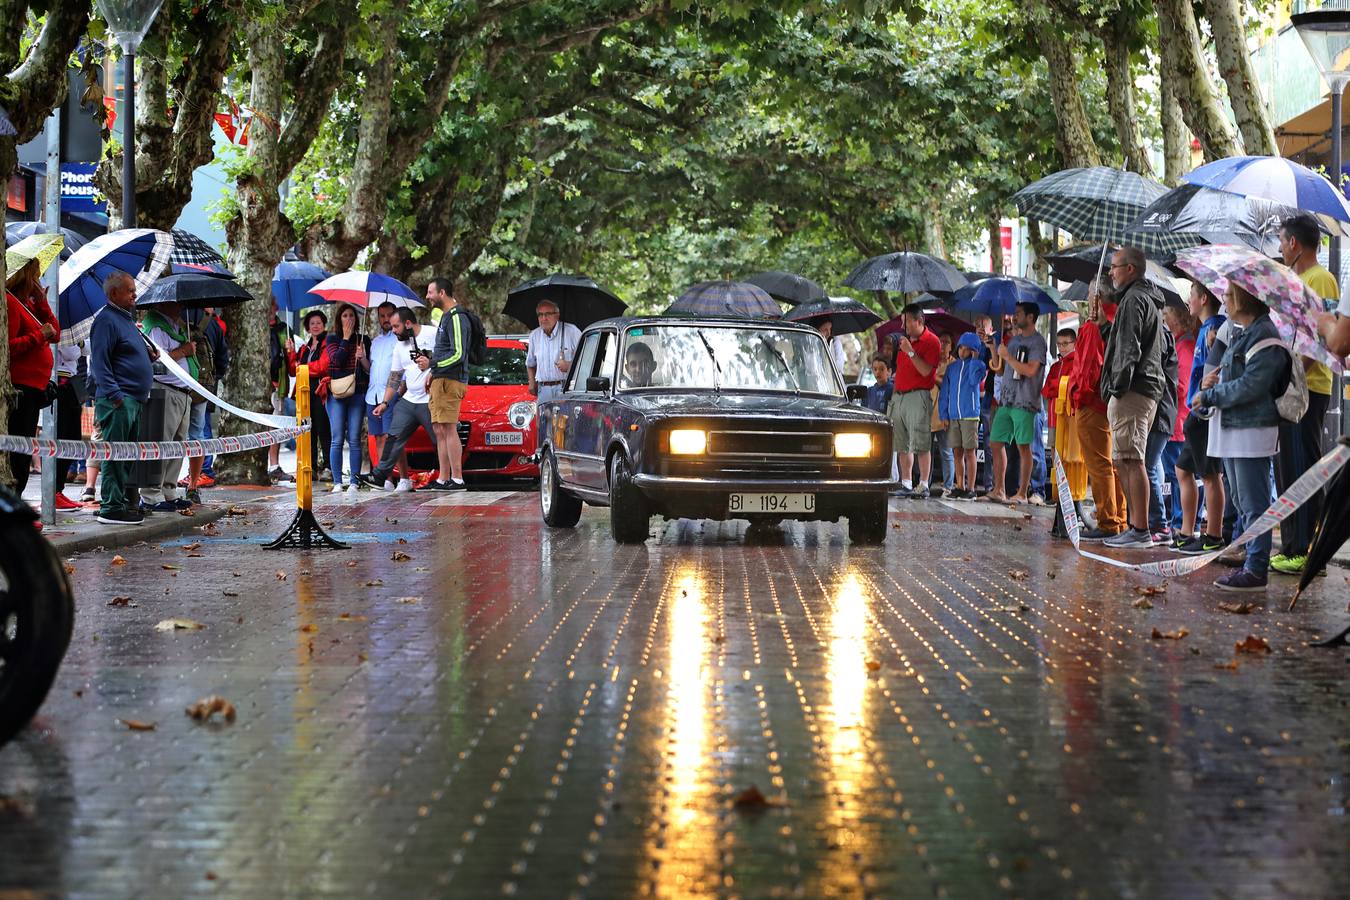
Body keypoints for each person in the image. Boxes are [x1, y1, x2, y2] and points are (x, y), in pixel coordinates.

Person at [1192, 283, 1292, 592]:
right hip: (1235, 428)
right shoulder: (1242, 332)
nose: (1224, 299)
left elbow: (1252, 386)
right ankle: (1251, 561)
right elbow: (1235, 377)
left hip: (1251, 429)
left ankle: (1256, 567)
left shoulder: (1264, 335)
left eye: (1229, 294)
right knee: (1241, 499)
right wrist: (1211, 383)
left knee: (1253, 503)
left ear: (1244, 298)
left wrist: (1211, 395)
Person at [1272, 214, 1338, 575]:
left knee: (1303, 470)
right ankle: (1294, 545)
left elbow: (1320, 338)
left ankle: (1308, 549)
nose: (1280, 248)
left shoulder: (1321, 279)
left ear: (1295, 243)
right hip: (1291, 387)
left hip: (1308, 388)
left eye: (1282, 241)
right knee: (1288, 472)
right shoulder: (1295, 280)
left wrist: (1297, 379)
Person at [1099, 247, 1166, 549]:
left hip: (1133, 390)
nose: (1110, 272)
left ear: (1131, 269)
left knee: (1131, 458)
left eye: (1114, 267)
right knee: (1124, 458)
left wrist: (1116, 385)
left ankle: (1140, 529)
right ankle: (1135, 527)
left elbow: (1129, 349)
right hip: (1140, 388)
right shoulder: (1142, 299)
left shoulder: (1134, 300)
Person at [88, 272, 154, 525]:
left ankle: (123, 502)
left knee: (126, 455)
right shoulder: (106, 320)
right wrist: (116, 396)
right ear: (114, 294)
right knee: (115, 456)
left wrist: (148, 356)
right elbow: (100, 363)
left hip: (132, 399)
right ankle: (111, 507)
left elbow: (125, 354)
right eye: (129, 290)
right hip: (119, 399)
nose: (134, 295)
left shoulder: (124, 319)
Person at [1069, 281, 1127, 540]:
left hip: (1093, 402)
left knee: (1100, 464)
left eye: (1091, 293)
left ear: (1097, 298)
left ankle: (1108, 521)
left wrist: (1077, 395)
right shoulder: (1117, 323)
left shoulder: (1097, 328)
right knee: (1111, 465)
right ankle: (1119, 518)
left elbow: (1087, 371)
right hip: (1109, 402)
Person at [1174, 282, 1227, 555]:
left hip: (1204, 411)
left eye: (1191, 296)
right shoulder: (1206, 329)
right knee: (1183, 470)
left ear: (1203, 298)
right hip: (1195, 409)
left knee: (1210, 474)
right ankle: (1186, 531)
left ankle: (1214, 534)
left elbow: (1215, 370)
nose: (1188, 301)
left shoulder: (1216, 328)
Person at [361, 308, 433, 491]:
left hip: (430, 400)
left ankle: (449, 477)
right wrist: (385, 403)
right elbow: (394, 377)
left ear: (408, 323)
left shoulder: (432, 333)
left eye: (396, 326)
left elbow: (450, 356)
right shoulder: (399, 346)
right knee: (393, 435)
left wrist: (432, 365)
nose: (393, 330)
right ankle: (379, 475)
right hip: (409, 401)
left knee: (439, 439)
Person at [5, 259, 59, 498]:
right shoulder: (10, 303)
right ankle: (14, 500)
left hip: (34, 389)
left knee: (25, 449)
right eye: (37, 275)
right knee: (19, 453)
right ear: (27, 276)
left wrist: (43, 303)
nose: (40, 281)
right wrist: (39, 336)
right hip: (21, 388)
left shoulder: (27, 304)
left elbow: (55, 333)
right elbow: (9, 347)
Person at [985, 301, 1047, 505]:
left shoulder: (1038, 342)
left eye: (1018, 313)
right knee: (995, 442)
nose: (1014, 317)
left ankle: (1022, 492)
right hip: (1007, 400)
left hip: (1025, 402)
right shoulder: (1012, 341)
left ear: (1030, 317)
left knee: (1023, 447)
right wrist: (995, 350)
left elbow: (1030, 370)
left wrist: (1007, 356)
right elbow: (1002, 371)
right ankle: (999, 489)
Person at [141, 300, 198, 511]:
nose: (181, 306)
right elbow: (158, 360)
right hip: (165, 391)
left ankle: (169, 490)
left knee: (177, 445)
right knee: (160, 443)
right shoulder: (155, 326)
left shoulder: (176, 326)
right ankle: (151, 495)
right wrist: (184, 351)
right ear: (164, 303)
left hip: (183, 393)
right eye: (177, 303)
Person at [886, 306, 941, 498]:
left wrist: (910, 352)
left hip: (918, 395)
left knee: (921, 441)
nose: (903, 325)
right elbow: (900, 371)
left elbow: (927, 371)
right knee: (902, 443)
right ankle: (906, 482)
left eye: (907, 321)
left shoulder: (932, 341)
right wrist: (894, 397)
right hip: (899, 395)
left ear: (919, 321)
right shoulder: (904, 342)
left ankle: (924, 484)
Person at [320, 302, 372, 493]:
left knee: (355, 438)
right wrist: (346, 338)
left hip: (357, 393)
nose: (348, 319)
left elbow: (369, 370)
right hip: (337, 393)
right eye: (345, 316)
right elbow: (336, 361)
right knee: (337, 438)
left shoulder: (364, 339)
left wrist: (363, 358)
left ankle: (354, 481)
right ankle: (337, 481)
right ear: (339, 319)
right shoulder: (332, 338)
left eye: (351, 316)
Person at [426, 276, 469, 490]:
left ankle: (458, 479)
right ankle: (444, 478)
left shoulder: (456, 317)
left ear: (442, 293)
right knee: (439, 429)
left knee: (449, 428)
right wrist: (432, 371)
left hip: (451, 381)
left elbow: (459, 354)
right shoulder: (444, 316)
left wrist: (432, 363)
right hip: (440, 379)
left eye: (430, 292)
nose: (427, 296)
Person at [1159, 299, 1197, 541]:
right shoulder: (1179, 344)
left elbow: (1182, 387)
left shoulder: (1184, 347)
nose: (1163, 319)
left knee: (1177, 476)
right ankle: (1179, 521)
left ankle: (1180, 522)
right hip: (1176, 420)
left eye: (1166, 315)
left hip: (1178, 421)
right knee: (1176, 475)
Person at [1043, 328, 1086, 537]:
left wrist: (1059, 388)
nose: (1062, 348)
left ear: (1075, 343)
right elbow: (1047, 389)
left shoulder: (1077, 363)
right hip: (1053, 419)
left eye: (1065, 343)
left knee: (1070, 462)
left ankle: (1072, 505)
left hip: (1071, 422)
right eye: (1059, 344)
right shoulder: (1056, 365)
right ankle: (1059, 495)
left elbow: (1069, 388)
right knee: (1055, 458)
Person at [1143, 312, 1180, 544]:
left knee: (1148, 466)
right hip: (1162, 412)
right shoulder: (1163, 335)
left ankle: (1160, 524)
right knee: (1153, 466)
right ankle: (1156, 521)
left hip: (1161, 413)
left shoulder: (1162, 336)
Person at [938, 333, 985, 499]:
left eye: (967, 349)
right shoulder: (952, 368)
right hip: (953, 416)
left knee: (970, 452)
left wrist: (974, 360)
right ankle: (960, 485)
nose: (962, 351)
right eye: (961, 347)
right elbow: (944, 393)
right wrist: (943, 414)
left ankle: (971, 488)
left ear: (974, 351)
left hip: (970, 416)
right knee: (956, 452)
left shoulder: (979, 366)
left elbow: (974, 381)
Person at [364, 301, 400, 482]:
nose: (386, 319)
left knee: (389, 436)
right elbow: (371, 369)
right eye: (382, 316)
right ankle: (382, 478)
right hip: (373, 394)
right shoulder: (375, 342)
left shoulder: (400, 340)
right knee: (378, 437)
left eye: (389, 315)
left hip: (390, 394)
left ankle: (391, 478)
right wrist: (361, 357)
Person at [296, 309, 332, 479]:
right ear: (308, 328)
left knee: (323, 429)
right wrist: (290, 353)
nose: (316, 326)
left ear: (324, 324)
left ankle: (328, 467)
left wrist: (303, 369)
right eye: (312, 323)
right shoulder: (305, 348)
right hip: (304, 393)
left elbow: (323, 366)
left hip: (320, 392)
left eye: (318, 323)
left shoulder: (327, 343)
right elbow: (293, 370)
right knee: (307, 431)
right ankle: (310, 468)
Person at [527, 299, 581, 401]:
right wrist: (531, 382)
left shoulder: (572, 331)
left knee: (565, 417)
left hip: (566, 388)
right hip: (543, 390)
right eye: (540, 314)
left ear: (557, 315)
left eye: (548, 314)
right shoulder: (534, 335)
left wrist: (570, 365)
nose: (544, 318)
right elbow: (530, 363)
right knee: (544, 417)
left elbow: (587, 359)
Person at [267, 304, 297, 482]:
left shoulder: (285, 329)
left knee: (275, 423)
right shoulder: (256, 327)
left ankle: (274, 465)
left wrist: (290, 350)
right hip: (259, 381)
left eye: (273, 304)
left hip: (279, 385)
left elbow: (292, 367)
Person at [930, 333, 955, 497]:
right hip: (928, 411)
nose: (943, 345)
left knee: (946, 451)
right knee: (926, 451)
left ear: (951, 346)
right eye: (941, 341)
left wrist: (936, 378)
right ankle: (925, 482)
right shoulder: (931, 361)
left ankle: (948, 486)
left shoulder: (954, 364)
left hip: (944, 412)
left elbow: (948, 383)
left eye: (947, 342)